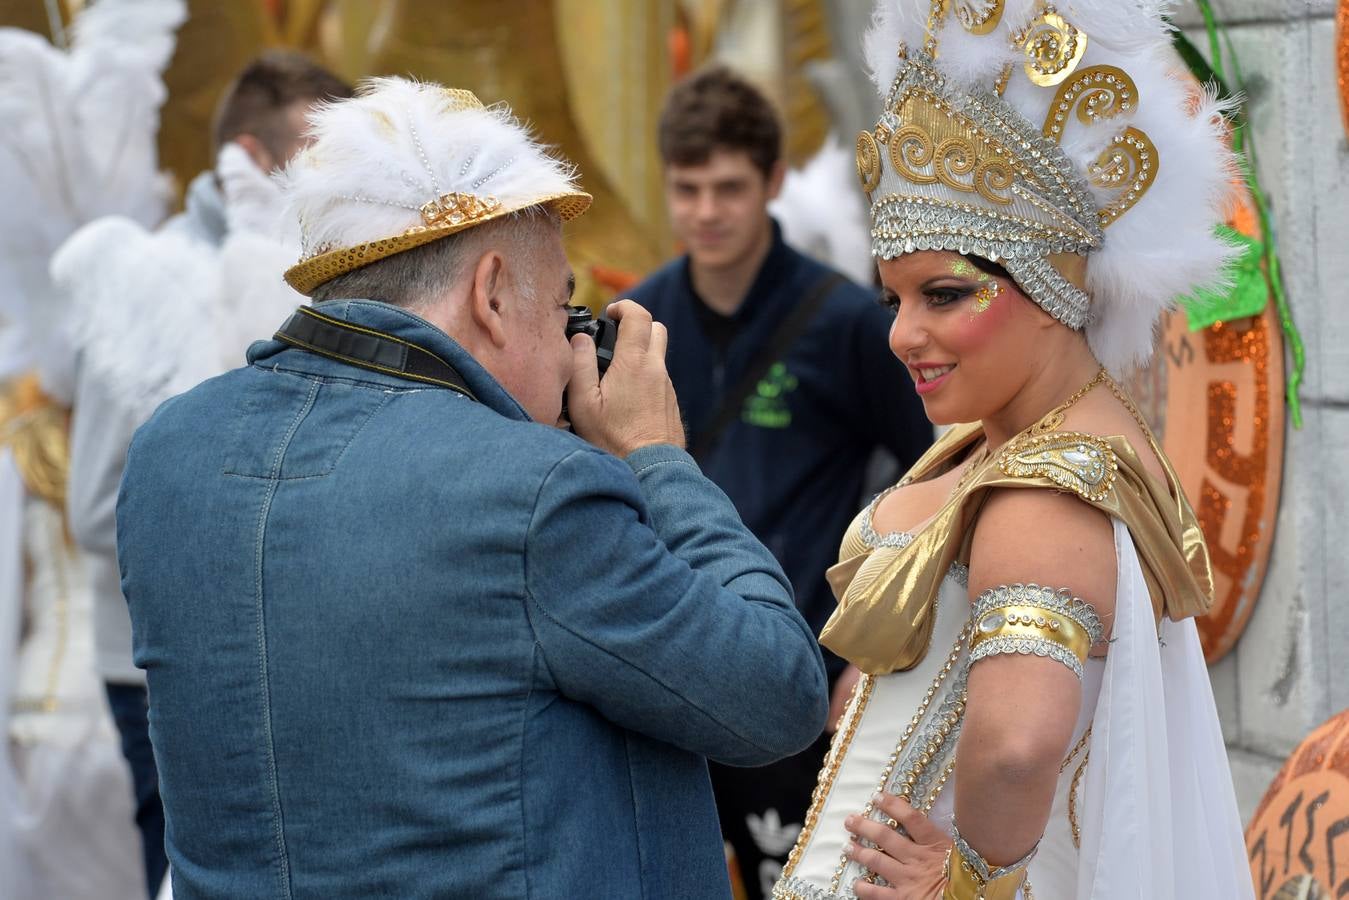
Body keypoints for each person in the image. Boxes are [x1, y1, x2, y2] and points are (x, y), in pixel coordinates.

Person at [114, 77, 829, 899]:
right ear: (490, 293)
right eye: (563, 308)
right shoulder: (535, 493)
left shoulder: (170, 448)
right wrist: (657, 457)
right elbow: (776, 694)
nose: (570, 349)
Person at [772, 2, 1254, 899]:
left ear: (1048, 286)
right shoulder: (1037, 434)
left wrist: (968, 884)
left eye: (944, 295)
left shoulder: (1043, 489)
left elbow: (1016, 745)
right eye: (893, 302)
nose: (902, 335)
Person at [626, 65, 933, 898]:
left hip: (799, 669)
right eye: (686, 189)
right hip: (674, 664)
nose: (705, 211)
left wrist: (873, 649)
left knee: (793, 883)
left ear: (770, 181)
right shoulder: (638, 322)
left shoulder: (844, 321)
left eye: (728, 187)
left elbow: (931, 480)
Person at [57, 50, 352, 897]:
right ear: (251, 161)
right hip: (168, 666)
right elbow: (93, 510)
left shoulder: (316, 275)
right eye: (321, 163)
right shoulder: (149, 277)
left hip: (296, 653)